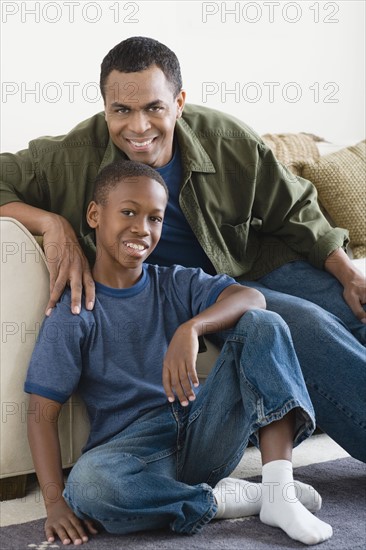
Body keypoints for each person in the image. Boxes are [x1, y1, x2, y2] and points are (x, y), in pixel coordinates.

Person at [1, 36, 365, 462]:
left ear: (179, 102)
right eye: (122, 110)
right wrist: (52, 223)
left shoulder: (226, 138)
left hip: (258, 260)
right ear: (106, 109)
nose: (138, 127)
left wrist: (349, 272)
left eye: (154, 107)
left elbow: (295, 206)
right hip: (193, 290)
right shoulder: (72, 155)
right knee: (308, 327)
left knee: (354, 310)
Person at [25, 159, 332, 546]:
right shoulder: (75, 313)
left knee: (263, 323)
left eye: (155, 218)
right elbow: (40, 414)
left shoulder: (174, 281)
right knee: (88, 489)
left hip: (205, 428)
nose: (142, 228)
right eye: (128, 213)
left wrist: (192, 327)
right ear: (94, 215)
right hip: (134, 453)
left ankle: (279, 489)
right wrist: (54, 506)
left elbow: (251, 297)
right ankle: (224, 499)